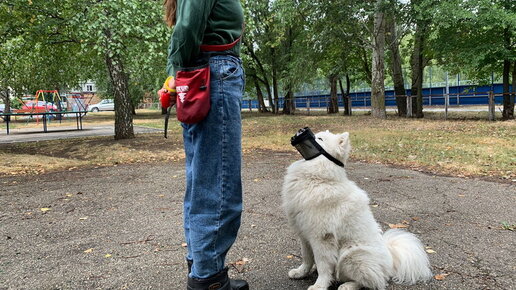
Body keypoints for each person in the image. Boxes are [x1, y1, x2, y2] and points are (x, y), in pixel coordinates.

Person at [161, 0, 248, 289]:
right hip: (214, 76)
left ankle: (201, 265)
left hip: (206, 76)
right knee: (218, 184)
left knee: (202, 179)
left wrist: (178, 76)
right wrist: (180, 73)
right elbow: (186, 29)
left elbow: (185, 29)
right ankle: (208, 277)